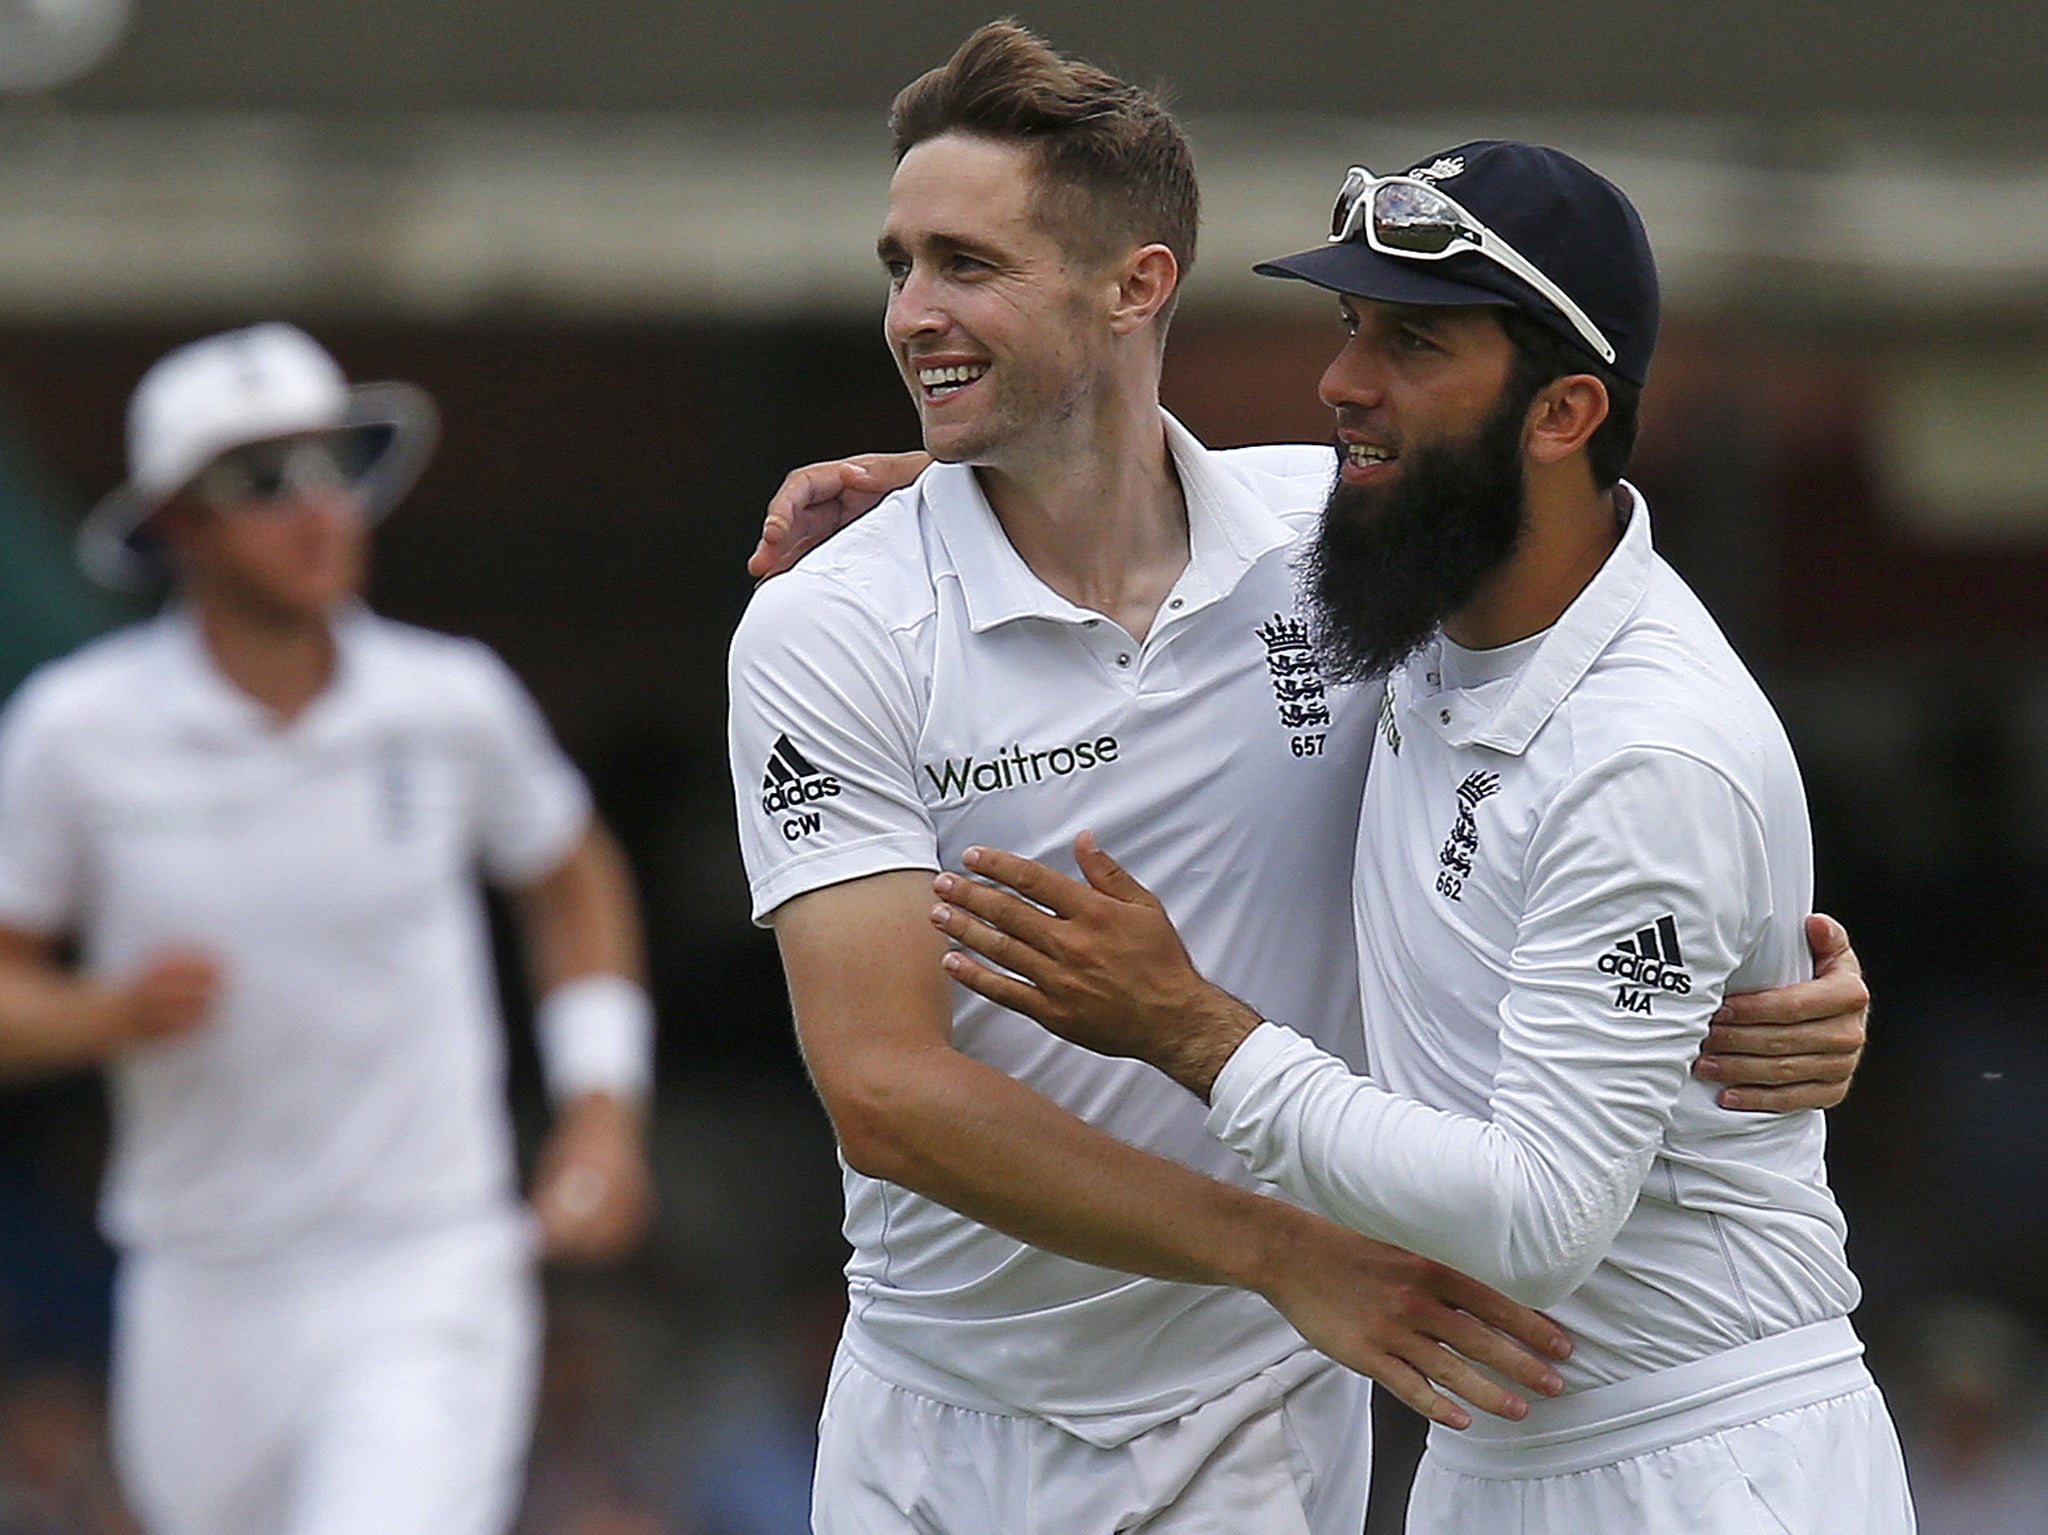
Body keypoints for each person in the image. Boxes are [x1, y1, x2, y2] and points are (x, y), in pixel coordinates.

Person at [729, 24, 1869, 1534]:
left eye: (968, 265)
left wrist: (1773, 964)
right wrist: (924, 487)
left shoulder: (1336, 544)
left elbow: (1623, 724)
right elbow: (881, 1087)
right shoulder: (833, 619)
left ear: (1137, 285)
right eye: (900, 266)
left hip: (1266, 1401)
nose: (912, 312)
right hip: (943, 1410)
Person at [0, 322, 657, 1535]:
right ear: (178, 523)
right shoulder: (75, 730)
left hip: (427, 1256)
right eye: (260, 481)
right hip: (199, 1277)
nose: (313, 509)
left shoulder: (445, 699)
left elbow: (570, 873)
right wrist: (106, 1013)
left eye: (331, 467)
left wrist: (600, 1107)